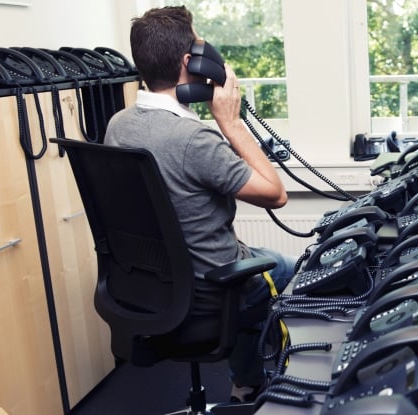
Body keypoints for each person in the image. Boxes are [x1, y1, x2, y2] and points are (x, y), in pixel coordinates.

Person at [104, 5, 296, 402]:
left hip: (148, 286)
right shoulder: (195, 140)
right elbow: (276, 194)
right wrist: (231, 122)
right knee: (289, 268)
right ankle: (252, 385)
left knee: (256, 261)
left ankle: (245, 377)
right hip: (210, 290)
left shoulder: (118, 125)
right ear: (192, 62)